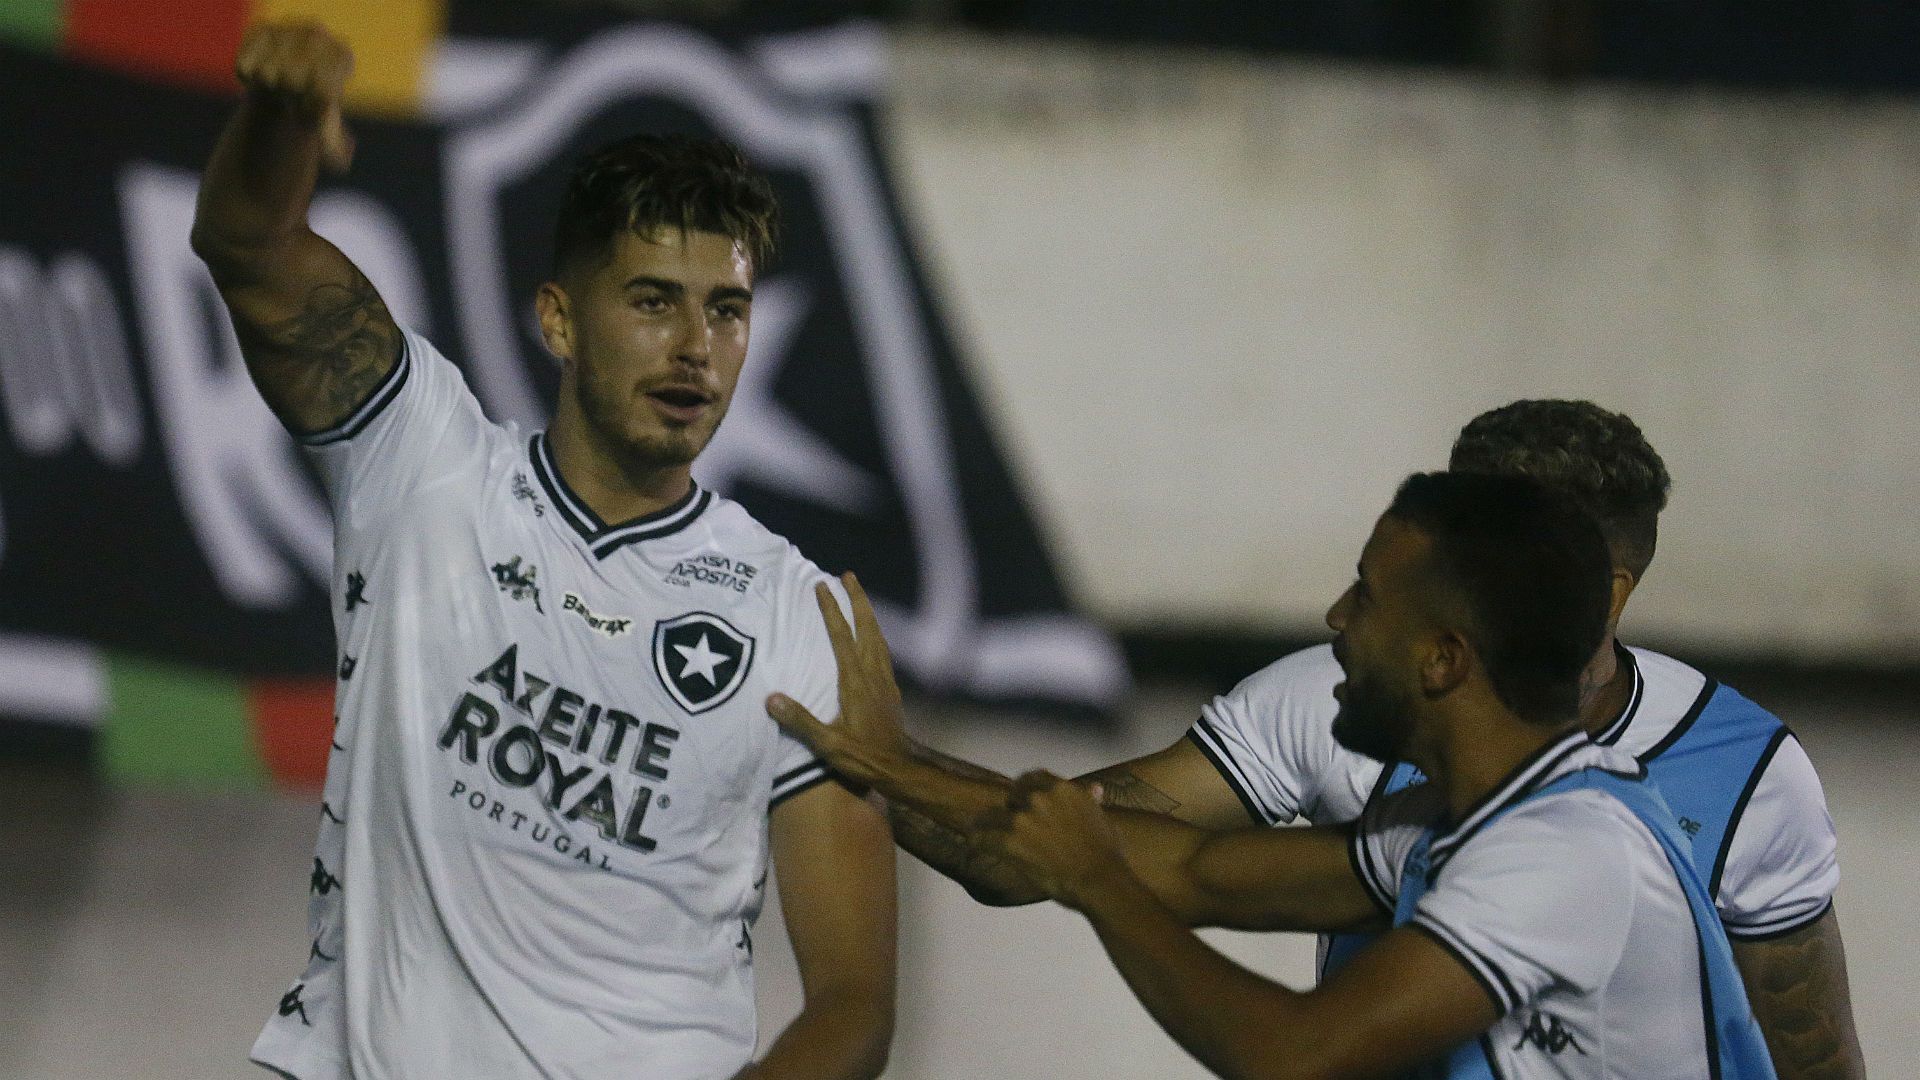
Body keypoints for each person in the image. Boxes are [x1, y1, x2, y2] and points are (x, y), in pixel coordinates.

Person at [191, 22, 895, 1080]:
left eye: (727, 310)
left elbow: (854, 1006)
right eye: (653, 302)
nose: (696, 349)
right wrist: (279, 123)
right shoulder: (422, 463)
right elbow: (248, 246)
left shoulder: (798, 619)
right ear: (559, 321)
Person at [866, 400, 1864, 1079]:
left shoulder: (1603, 834)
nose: (1337, 618)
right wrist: (864, 756)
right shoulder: (1417, 789)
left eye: (1380, 591)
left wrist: (1095, 880)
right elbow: (1176, 866)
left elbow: (1291, 1055)